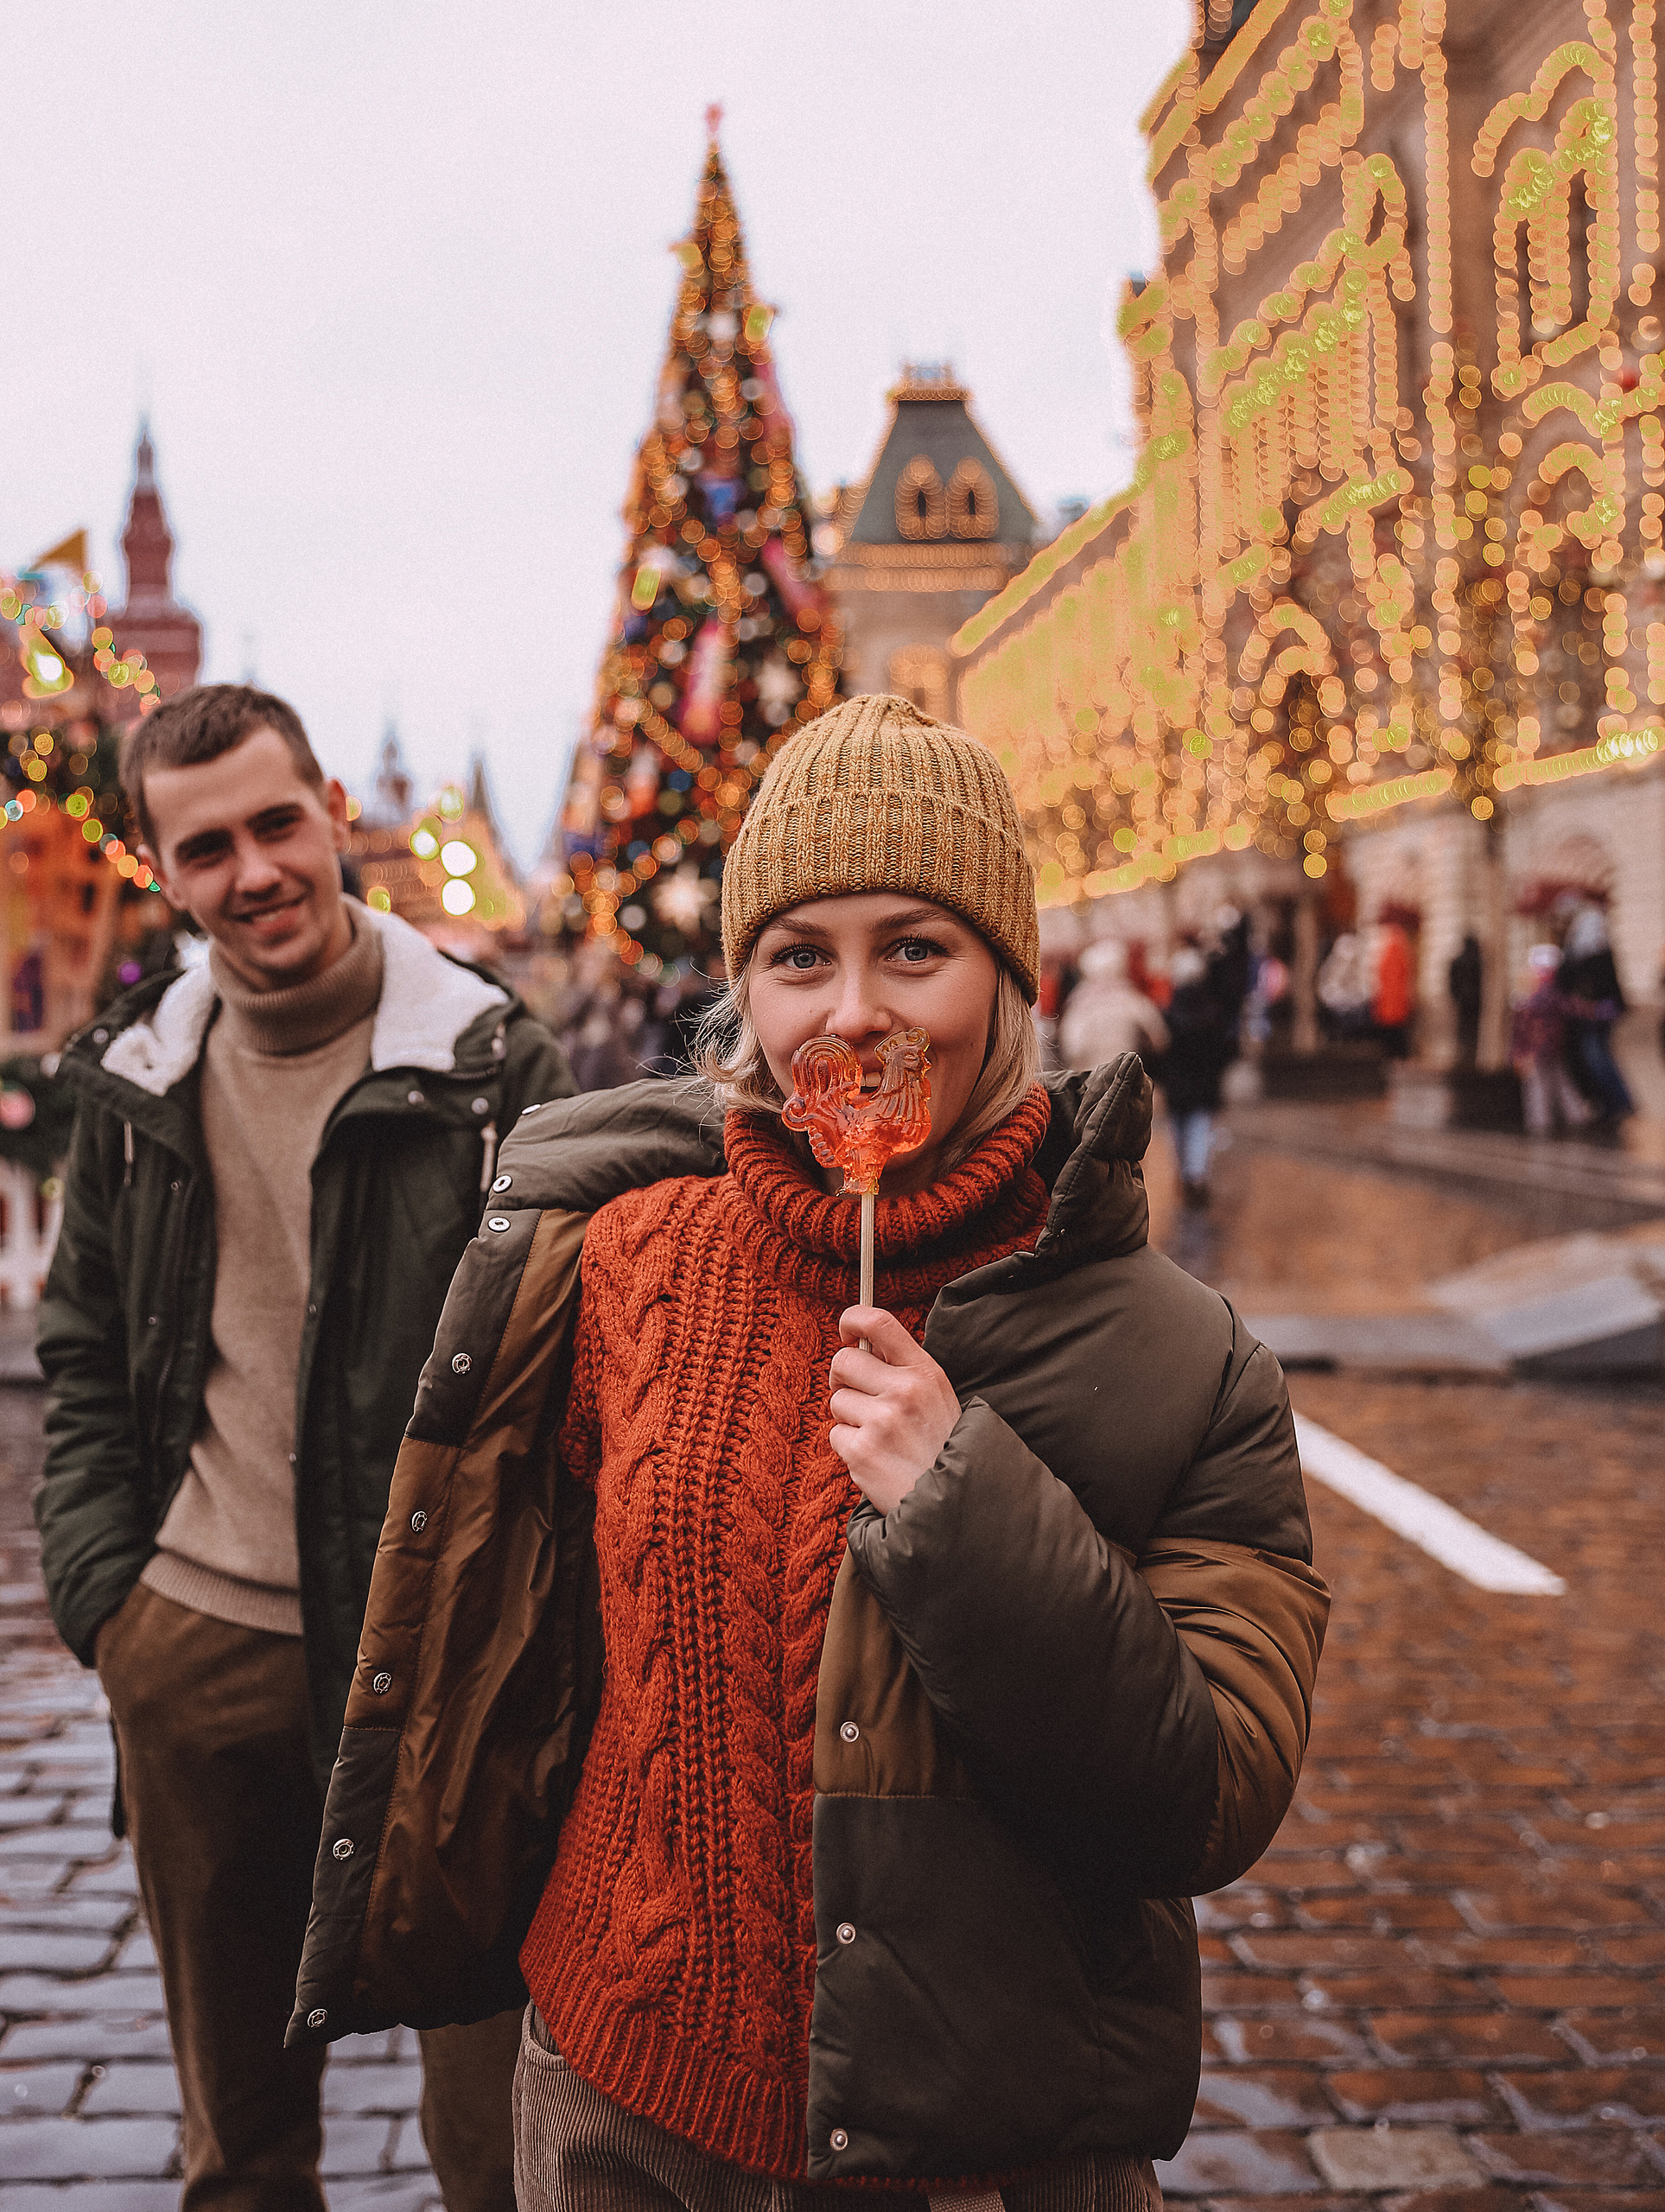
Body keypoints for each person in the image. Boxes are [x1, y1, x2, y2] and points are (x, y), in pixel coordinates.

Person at [289, 694, 1329, 2210]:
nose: (851, 1012)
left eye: (914, 947)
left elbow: (1205, 1796)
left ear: (1006, 981)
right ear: (746, 1000)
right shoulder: (624, 1260)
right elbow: (526, 1658)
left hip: (988, 2148)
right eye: (798, 958)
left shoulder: (1185, 1358)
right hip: (616, 2104)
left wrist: (957, 1499)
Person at [35, 685, 572, 2212]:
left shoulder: (491, 1069)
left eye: (278, 824)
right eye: (208, 847)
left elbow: (590, 1369)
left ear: (334, 808)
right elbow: (81, 1345)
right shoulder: (134, 1081)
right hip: (198, 1659)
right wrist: (112, 1610)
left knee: (501, 2151)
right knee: (241, 2151)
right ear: (162, 868)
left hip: (452, 1675)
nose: (256, 871)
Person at [1157, 944, 1236, 1209]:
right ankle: (1196, 1177)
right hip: (1204, 1087)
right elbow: (1225, 1049)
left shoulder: (1168, 1015)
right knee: (1200, 1130)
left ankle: (1185, 1175)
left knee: (1179, 1133)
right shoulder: (1214, 1013)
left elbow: (1158, 1051)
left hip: (1177, 1088)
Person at [1558, 903, 1635, 1126]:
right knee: (1597, 1056)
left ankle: (1618, 1101)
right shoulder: (1597, 952)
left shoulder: (1586, 955)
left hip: (1593, 1014)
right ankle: (1615, 1101)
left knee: (1596, 1057)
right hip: (1598, 1013)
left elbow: (1573, 981)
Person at [1510, 944, 1590, 1136]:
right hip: (1548, 1048)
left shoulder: (1534, 997)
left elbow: (1525, 1031)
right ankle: (1575, 1114)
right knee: (1558, 1082)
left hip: (1537, 1050)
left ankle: (1541, 1122)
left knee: (1538, 1087)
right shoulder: (1546, 994)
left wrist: (1520, 1053)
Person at [1058, 934, 1170, 1071]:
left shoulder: (1080, 1002)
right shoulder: (1129, 998)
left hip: (1090, 1076)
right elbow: (1159, 1038)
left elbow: (1072, 1048)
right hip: (1123, 1072)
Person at [1448, 932, 1484, 1067]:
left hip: (1463, 1000)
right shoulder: (1477, 961)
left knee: (1463, 1028)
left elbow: (1452, 981)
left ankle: (1463, 1054)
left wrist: (1456, 996)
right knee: (1472, 1029)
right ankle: (1470, 1056)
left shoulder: (1458, 960)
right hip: (1474, 1000)